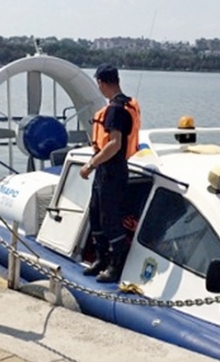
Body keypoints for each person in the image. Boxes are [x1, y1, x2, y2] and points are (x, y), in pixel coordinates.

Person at [80, 63, 141, 283]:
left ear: (101, 83)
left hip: (112, 170)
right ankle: (101, 258)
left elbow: (114, 144)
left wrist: (90, 165)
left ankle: (116, 265)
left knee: (109, 218)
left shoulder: (115, 110)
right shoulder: (126, 104)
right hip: (107, 169)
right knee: (95, 213)